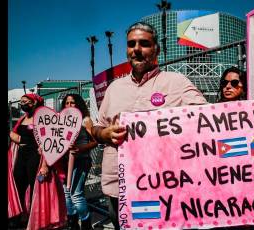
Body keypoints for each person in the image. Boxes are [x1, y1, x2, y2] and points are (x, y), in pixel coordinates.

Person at [91, 21, 207, 229]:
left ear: (156, 50)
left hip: (165, 189)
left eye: (144, 43)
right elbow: (97, 129)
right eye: (131, 44)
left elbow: (208, 120)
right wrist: (105, 134)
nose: (136, 49)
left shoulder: (177, 82)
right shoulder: (114, 88)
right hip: (119, 189)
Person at [8, 94, 48, 228]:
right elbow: (15, 134)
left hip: (35, 156)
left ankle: (33, 218)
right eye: (21, 102)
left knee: (34, 187)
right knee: (18, 184)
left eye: (25, 102)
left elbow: (46, 139)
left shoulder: (42, 118)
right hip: (21, 155)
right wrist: (15, 138)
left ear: (34, 102)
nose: (22, 104)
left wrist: (44, 163)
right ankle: (17, 217)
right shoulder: (23, 118)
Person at [60, 94, 98, 230]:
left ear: (79, 104)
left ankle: (86, 224)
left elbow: (95, 141)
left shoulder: (85, 120)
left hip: (81, 160)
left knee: (76, 195)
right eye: (67, 103)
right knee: (67, 194)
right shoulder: (60, 120)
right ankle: (72, 223)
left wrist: (80, 148)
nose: (69, 106)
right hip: (65, 162)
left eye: (73, 103)